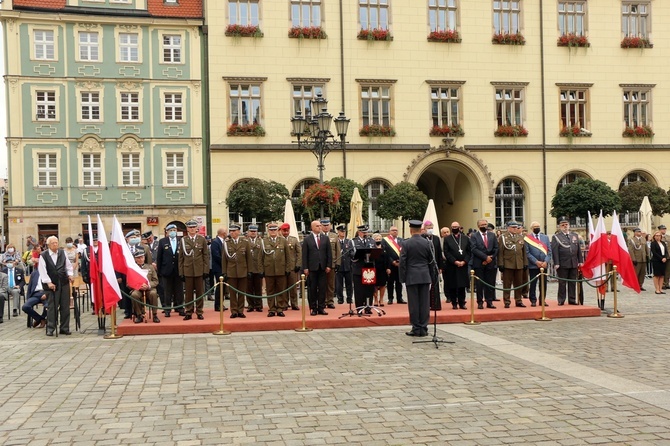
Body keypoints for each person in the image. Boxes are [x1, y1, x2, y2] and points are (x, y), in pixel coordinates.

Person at [399, 220, 434, 337]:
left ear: (411, 230)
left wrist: (402, 279)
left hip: (411, 276)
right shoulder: (428, 243)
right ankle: (424, 328)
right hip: (425, 275)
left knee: (414, 304)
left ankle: (416, 328)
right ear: (420, 229)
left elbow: (402, 262)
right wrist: (431, 277)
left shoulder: (406, 243)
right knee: (424, 303)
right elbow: (431, 261)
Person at [38, 236, 74, 336]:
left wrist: (70, 275)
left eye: (56, 242)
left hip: (63, 282)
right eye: (53, 243)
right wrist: (48, 282)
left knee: (65, 307)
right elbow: (42, 271)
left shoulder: (62, 253)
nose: (55, 244)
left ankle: (64, 327)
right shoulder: (44, 255)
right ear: (48, 245)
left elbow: (68, 266)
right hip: (51, 285)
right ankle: (51, 328)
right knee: (52, 307)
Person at [179, 219, 209, 320]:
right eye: (190, 227)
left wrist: (206, 270)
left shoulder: (202, 240)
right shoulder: (183, 240)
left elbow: (205, 256)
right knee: (188, 293)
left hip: (199, 270)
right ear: (187, 229)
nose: (192, 229)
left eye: (193, 227)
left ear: (197, 228)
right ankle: (189, 311)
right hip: (188, 270)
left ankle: (199, 311)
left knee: (200, 292)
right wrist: (181, 272)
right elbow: (181, 258)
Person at [222, 224, 252, 319]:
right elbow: (224, 259)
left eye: (234, 231)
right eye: (231, 231)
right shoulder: (227, 243)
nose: (232, 232)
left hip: (243, 270)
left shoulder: (245, 242)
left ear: (239, 232)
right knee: (233, 293)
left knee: (241, 292)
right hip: (231, 271)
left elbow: (249, 258)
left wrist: (249, 270)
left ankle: (241, 311)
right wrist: (224, 272)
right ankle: (234, 311)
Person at [551, 218, 584, 305]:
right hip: (562, 263)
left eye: (566, 224)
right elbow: (555, 251)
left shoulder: (574, 235)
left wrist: (580, 260)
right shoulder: (556, 237)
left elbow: (578, 249)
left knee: (572, 282)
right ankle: (561, 299)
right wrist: (556, 263)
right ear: (559, 227)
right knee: (562, 283)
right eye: (563, 225)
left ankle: (572, 299)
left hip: (573, 262)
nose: (565, 226)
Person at [302, 220, 331, 316]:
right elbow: (304, 255)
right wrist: (305, 267)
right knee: (312, 289)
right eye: (318, 226)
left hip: (322, 267)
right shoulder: (307, 239)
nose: (320, 227)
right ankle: (313, 308)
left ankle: (321, 307)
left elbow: (329, 253)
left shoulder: (325, 238)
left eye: (320, 226)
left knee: (322, 288)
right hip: (312, 268)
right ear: (312, 227)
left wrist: (328, 265)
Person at [262, 223, 290, 317]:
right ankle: (271, 309)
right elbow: (260, 257)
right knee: (270, 291)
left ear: (277, 231)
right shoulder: (264, 241)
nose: (273, 232)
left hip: (280, 269)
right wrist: (261, 270)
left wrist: (287, 268)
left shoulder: (282, 241)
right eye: (271, 230)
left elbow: (287, 256)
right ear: (268, 231)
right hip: (269, 270)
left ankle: (280, 308)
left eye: (274, 230)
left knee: (280, 290)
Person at [497, 221, 527, 308]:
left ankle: (518, 300)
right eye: (513, 227)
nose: (515, 229)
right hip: (508, 263)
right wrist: (501, 264)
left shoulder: (521, 237)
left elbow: (524, 252)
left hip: (519, 263)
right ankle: (507, 301)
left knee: (519, 283)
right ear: (508, 228)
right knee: (507, 284)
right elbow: (501, 252)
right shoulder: (503, 237)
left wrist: (525, 263)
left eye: (516, 228)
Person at [156, 224, 183, 318]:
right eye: (170, 230)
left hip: (178, 270)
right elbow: (159, 257)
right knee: (167, 291)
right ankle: (167, 309)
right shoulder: (162, 241)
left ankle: (180, 307)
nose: (172, 232)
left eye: (174, 230)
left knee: (179, 290)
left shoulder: (181, 240)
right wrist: (159, 271)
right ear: (167, 232)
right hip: (166, 270)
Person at [442, 221, 471, 310]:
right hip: (452, 266)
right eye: (453, 227)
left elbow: (469, 251)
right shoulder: (447, 239)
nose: (455, 228)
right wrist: (455, 261)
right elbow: (446, 252)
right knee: (453, 285)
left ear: (459, 227)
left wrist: (464, 261)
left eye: (456, 226)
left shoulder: (465, 238)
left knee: (462, 285)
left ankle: (462, 303)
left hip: (463, 265)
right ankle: (454, 303)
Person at [471, 219, 499, 309]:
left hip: (491, 263)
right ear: (478, 226)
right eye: (482, 224)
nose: (484, 226)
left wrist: (490, 258)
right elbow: (474, 249)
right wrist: (485, 257)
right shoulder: (474, 236)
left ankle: (489, 301)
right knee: (479, 284)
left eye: (485, 224)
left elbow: (496, 248)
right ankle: (480, 302)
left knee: (490, 283)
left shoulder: (492, 235)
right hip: (479, 263)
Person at [525, 221, 552, 307]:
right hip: (533, 265)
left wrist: (545, 261)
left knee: (543, 284)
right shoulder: (528, 238)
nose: (537, 228)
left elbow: (549, 252)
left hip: (544, 264)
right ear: (531, 228)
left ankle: (542, 300)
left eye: (538, 226)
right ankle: (533, 300)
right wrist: (536, 261)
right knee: (533, 284)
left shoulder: (545, 238)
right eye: (535, 227)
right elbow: (527, 252)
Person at [129, 250, 160, 323]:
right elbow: (129, 283)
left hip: (149, 288)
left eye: (142, 257)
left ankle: (155, 315)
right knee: (134, 295)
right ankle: (139, 315)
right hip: (138, 289)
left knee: (153, 293)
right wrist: (139, 286)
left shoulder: (150, 267)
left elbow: (155, 281)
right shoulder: (132, 268)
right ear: (135, 259)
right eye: (138, 258)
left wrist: (148, 285)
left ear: (144, 258)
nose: (140, 259)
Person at [351, 224, 376, 313]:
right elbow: (351, 254)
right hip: (358, 269)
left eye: (366, 232)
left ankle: (368, 307)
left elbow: (375, 252)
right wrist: (358, 255)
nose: (365, 234)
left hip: (369, 269)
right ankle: (359, 308)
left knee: (369, 290)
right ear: (359, 232)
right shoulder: (353, 242)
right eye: (363, 232)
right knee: (359, 290)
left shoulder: (372, 241)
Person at [421, 220, 443, 310]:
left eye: (431, 228)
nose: (430, 229)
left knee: (435, 285)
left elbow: (438, 253)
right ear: (424, 229)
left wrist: (440, 266)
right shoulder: (421, 238)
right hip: (424, 265)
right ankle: (425, 305)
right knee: (425, 286)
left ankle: (435, 305)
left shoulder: (436, 238)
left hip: (434, 265)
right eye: (428, 228)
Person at [382, 226, 405, 304]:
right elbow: (385, 253)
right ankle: (390, 298)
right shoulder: (385, 240)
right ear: (389, 231)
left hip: (400, 264)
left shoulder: (401, 240)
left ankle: (399, 298)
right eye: (393, 230)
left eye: (396, 230)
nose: (395, 231)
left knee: (399, 282)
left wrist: (400, 262)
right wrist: (392, 262)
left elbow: (404, 252)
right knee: (390, 282)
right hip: (390, 265)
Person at [244, 225, 264, 312]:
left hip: (258, 268)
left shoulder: (261, 241)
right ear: (248, 232)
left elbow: (263, 256)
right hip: (248, 268)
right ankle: (250, 305)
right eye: (251, 231)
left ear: (257, 232)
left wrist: (262, 269)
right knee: (248, 289)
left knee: (258, 288)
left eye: (254, 231)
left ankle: (258, 305)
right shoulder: (244, 241)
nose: (253, 233)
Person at [334, 224, 354, 305]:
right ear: (338, 232)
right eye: (341, 231)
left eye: (344, 231)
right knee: (339, 284)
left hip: (348, 266)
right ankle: (340, 299)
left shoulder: (349, 242)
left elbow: (352, 252)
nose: (343, 233)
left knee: (349, 284)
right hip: (339, 266)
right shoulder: (336, 241)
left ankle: (349, 298)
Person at [321, 218, 338, 309]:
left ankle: (330, 301)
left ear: (330, 225)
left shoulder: (334, 236)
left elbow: (338, 250)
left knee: (331, 284)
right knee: (322, 284)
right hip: (321, 263)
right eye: (324, 225)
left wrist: (338, 263)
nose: (326, 227)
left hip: (332, 263)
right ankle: (322, 301)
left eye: (327, 225)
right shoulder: (318, 235)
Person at [210, 227, 228, 311]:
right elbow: (216, 255)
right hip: (218, 268)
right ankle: (217, 305)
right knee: (219, 287)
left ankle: (221, 303)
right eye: (226, 232)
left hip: (224, 268)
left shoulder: (224, 241)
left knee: (223, 287)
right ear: (223, 233)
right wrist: (225, 262)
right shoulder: (215, 242)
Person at [628, 227, 649, 292]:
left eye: (640, 231)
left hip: (643, 259)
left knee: (643, 273)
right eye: (638, 232)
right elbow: (631, 250)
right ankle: (635, 285)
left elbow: (646, 248)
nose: (639, 233)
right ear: (635, 233)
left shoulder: (643, 239)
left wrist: (648, 256)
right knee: (636, 273)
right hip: (637, 259)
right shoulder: (632, 240)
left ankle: (640, 285)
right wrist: (633, 259)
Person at [371, 232, 389, 307]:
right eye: (376, 239)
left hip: (383, 268)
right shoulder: (372, 247)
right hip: (374, 268)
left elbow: (388, 258)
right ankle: (375, 299)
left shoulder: (384, 247)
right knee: (374, 284)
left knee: (382, 284)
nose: (378, 240)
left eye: (379, 239)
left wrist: (388, 268)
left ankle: (381, 299)